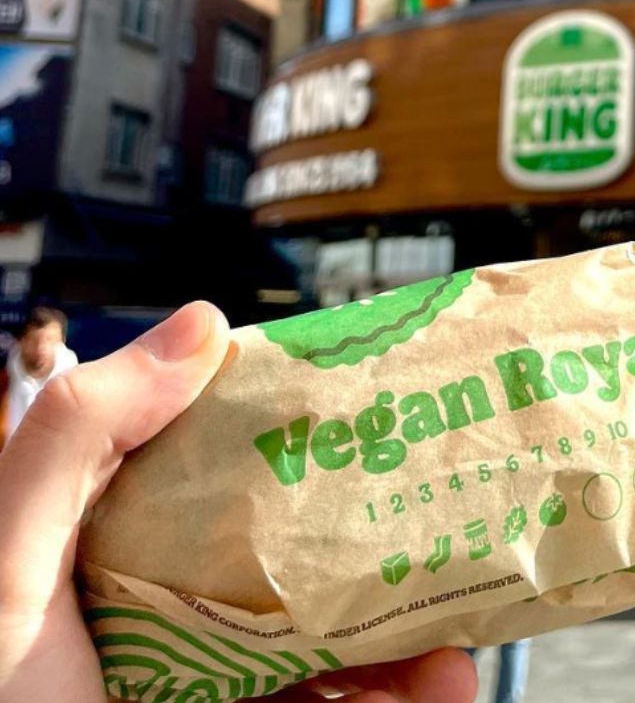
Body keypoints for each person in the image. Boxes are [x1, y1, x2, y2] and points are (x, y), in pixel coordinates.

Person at [0, 301, 479, 703]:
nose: (43, 346)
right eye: (38, 337)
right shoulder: (13, 379)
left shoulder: (73, 370)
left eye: (51, 336)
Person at [0, 306, 79, 449]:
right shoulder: (4, 383)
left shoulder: (79, 387)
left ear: (62, 342)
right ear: (22, 341)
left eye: (50, 340)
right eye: (34, 340)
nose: (41, 347)